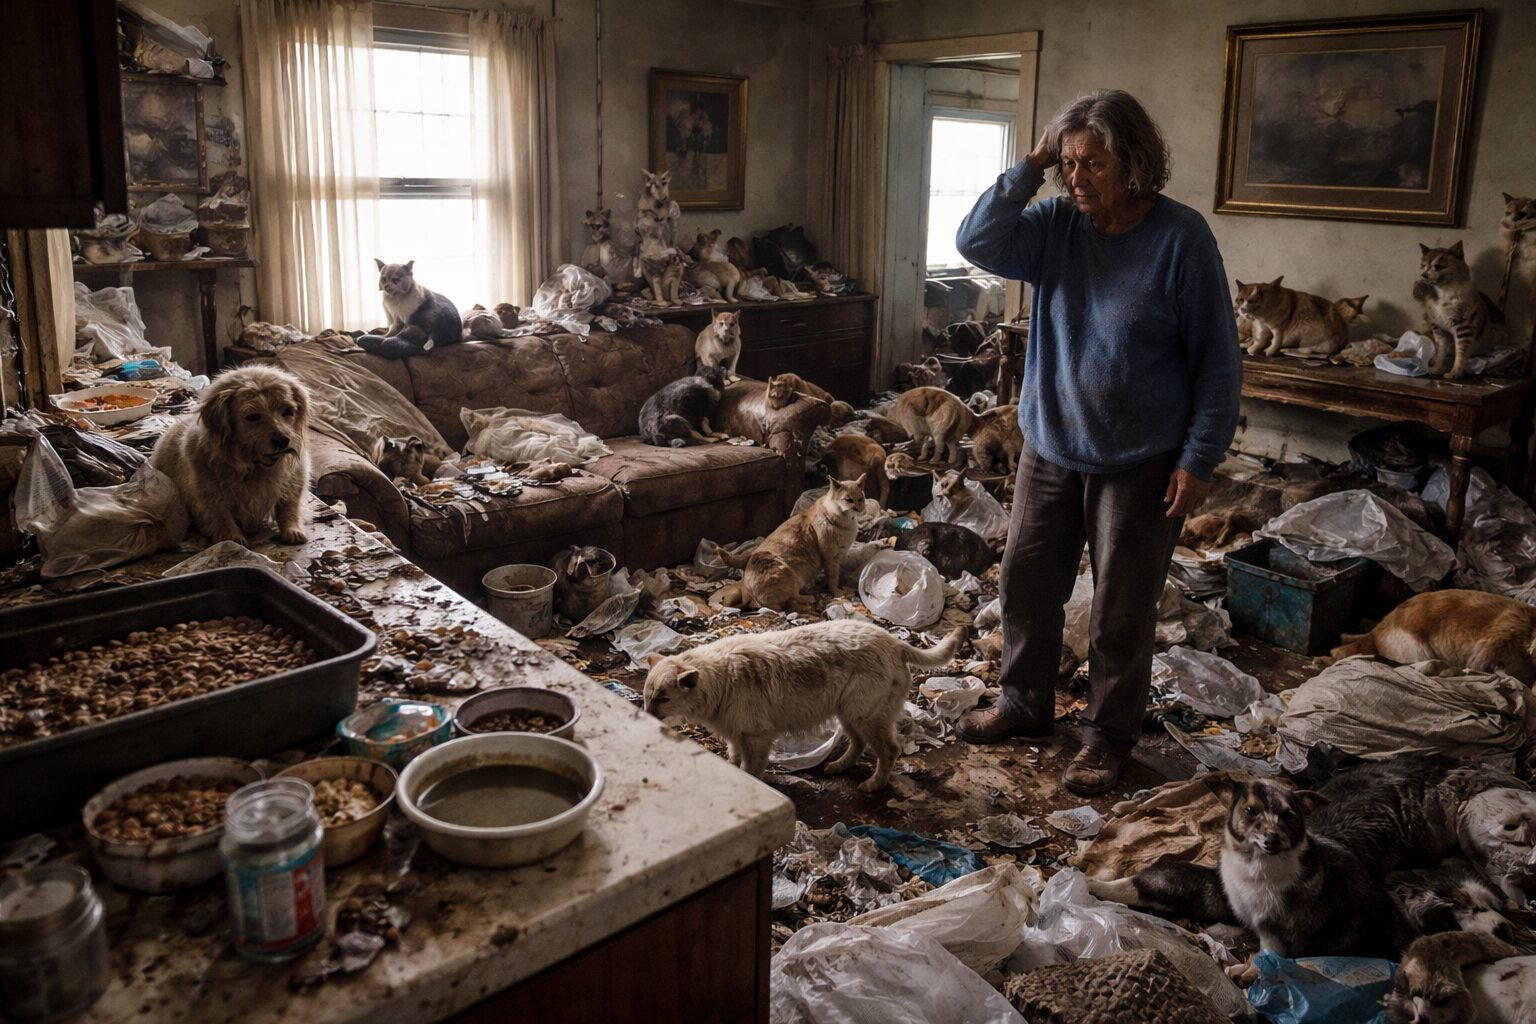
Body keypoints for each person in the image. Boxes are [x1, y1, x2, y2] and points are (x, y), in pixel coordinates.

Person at [952, 89, 1241, 796]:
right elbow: (975, 241)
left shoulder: (1180, 239)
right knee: (1026, 584)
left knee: (1121, 608)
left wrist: (1199, 457)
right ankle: (1024, 703)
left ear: (1134, 162)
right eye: (1069, 163)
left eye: (1093, 163)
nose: (1076, 178)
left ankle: (1108, 737)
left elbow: (1218, 359)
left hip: (1140, 461)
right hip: (1052, 446)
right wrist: (1032, 164)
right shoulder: (1054, 224)